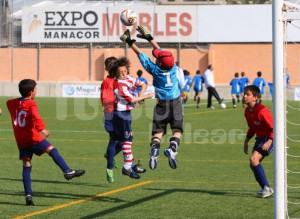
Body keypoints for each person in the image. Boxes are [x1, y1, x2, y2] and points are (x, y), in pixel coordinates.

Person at [6, 79, 85, 206]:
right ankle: (67, 171)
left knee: (26, 165)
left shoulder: (12, 103)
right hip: (32, 137)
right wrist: (41, 128)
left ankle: (28, 195)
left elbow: (9, 102)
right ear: (31, 92)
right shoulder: (31, 104)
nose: (36, 91)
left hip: (20, 140)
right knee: (52, 149)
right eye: (35, 89)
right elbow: (35, 117)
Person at [120, 26, 184, 170]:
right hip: (176, 103)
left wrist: (129, 41)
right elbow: (161, 53)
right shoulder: (173, 67)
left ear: (159, 62)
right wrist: (150, 38)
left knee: (158, 132)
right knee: (177, 131)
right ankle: (172, 149)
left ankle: (155, 151)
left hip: (161, 104)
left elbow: (140, 54)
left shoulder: (154, 69)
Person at [112, 56, 152, 179]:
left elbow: (143, 84)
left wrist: (141, 94)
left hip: (127, 112)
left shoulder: (129, 78)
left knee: (128, 138)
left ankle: (130, 164)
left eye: (125, 71)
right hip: (121, 113)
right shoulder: (119, 85)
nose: (123, 74)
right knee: (127, 140)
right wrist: (144, 97)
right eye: (120, 72)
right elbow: (131, 99)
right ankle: (127, 166)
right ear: (116, 74)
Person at [243, 85, 274, 198]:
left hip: (270, 137)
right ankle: (265, 188)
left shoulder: (262, 111)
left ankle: (266, 188)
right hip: (260, 138)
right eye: (244, 94)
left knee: (254, 159)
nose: (244, 96)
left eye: (248, 94)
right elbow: (252, 128)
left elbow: (274, 127)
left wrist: (270, 141)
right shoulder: (247, 111)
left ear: (255, 97)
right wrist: (246, 141)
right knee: (252, 164)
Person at [100, 56, 122, 183]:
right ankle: (109, 168)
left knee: (126, 139)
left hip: (121, 113)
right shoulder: (108, 82)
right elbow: (106, 100)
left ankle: (110, 155)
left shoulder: (117, 80)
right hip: (111, 114)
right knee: (114, 140)